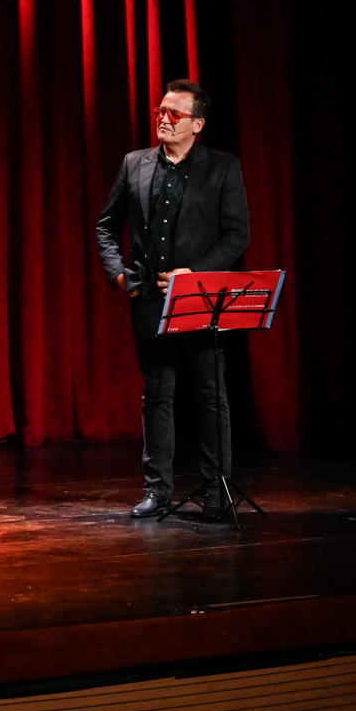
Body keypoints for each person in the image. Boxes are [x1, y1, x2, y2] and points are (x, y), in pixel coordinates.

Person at [95, 79, 250, 520]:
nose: (164, 119)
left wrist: (195, 272)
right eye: (161, 111)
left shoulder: (222, 167)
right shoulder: (135, 163)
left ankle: (217, 493)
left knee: (209, 393)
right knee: (157, 394)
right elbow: (107, 225)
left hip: (199, 297)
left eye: (175, 114)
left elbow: (238, 233)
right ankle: (157, 491)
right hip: (148, 298)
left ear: (196, 124)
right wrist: (119, 274)